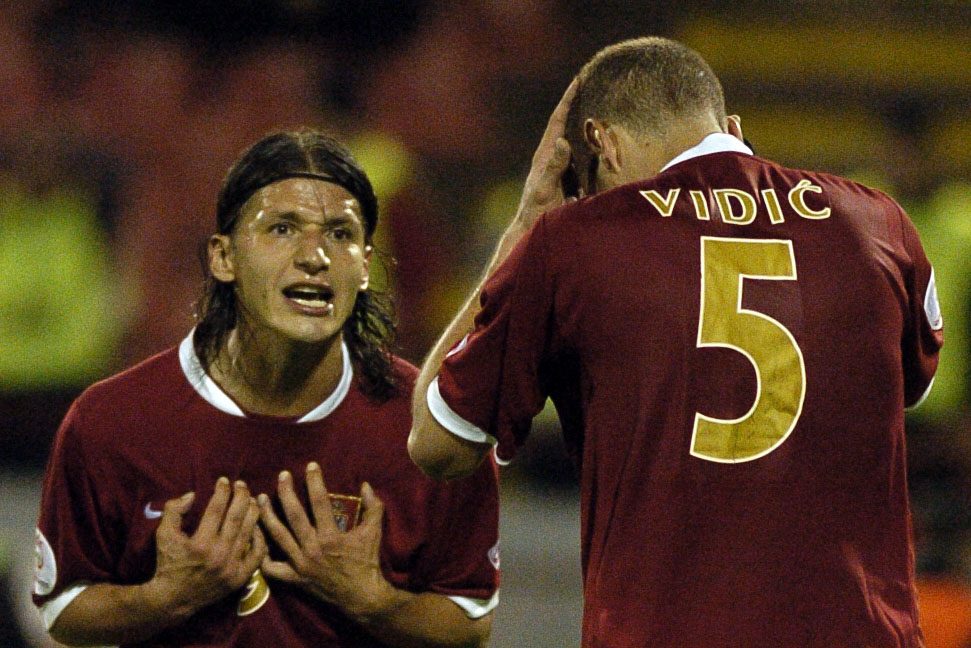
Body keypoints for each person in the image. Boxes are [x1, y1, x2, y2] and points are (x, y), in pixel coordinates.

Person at [408, 37, 943, 647]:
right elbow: (907, 392)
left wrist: (526, 224)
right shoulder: (879, 221)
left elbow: (439, 444)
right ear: (732, 127)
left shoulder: (571, 243)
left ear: (602, 142)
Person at [33, 129, 500, 647]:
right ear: (223, 257)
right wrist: (164, 595)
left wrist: (371, 599)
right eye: (282, 228)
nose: (315, 256)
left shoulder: (429, 428)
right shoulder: (113, 421)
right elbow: (63, 610)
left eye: (341, 234)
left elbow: (469, 625)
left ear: (365, 267)